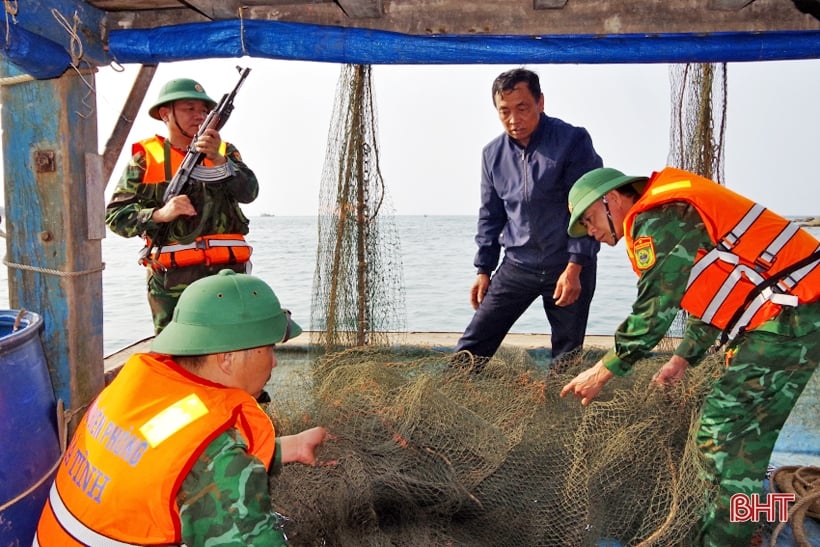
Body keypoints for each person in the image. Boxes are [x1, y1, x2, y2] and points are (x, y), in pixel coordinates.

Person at [559, 166, 820, 546]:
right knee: (749, 443)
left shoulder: (654, 218)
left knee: (717, 434)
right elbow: (717, 299)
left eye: (590, 219)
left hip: (789, 319)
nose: (592, 232)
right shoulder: (670, 212)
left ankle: (724, 539)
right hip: (797, 315)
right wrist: (681, 360)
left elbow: (653, 312)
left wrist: (602, 370)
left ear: (611, 200)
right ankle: (744, 529)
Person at [34, 269, 328, 546]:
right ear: (228, 359)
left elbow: (167, 454)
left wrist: (291, 447)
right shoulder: (214, 454)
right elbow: (208, 464)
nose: (274, 362)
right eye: (270, 349)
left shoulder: (142, 391)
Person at [453, 68, 603, 365]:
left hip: (567, 264)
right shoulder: (492, 154)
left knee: (567, 356)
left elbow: (590, 208)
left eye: (522, 108)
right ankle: (445, 399)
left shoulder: (573, 141)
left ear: (540, 102)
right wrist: (483, 269)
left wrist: (575, 268)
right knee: (474, 342)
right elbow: (490, 215)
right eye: (504, 111)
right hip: (518, 264)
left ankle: (563, 406)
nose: (513, 120)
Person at [106, 77, 259, 333]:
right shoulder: (145, 158)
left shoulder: (225, 151)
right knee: (177, 351)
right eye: (190, 108)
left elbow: (249, 192)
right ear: (166, 113)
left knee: (233, 344)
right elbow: (114, 218)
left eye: (203, 110)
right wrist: (160, 214)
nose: (199, 116)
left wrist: (220, 162)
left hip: (228, 275)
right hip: (172, 281)